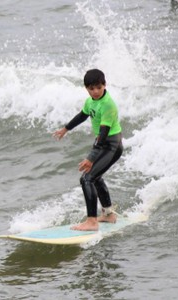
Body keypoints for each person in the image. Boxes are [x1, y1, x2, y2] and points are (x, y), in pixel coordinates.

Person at [53, 69, 123, 231]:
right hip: (102, 142)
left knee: (87, 179)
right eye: (91, 89)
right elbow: (82, 115)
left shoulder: (108, 105)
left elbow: (104, 135)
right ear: (86, 88)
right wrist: (66, 129)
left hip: (111, 145)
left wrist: (91, 158)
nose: (96, 91)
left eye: (99, 87)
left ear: (104, 85)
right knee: (95, 178)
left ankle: (92, 222)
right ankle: (108, 214)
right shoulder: (90, 101)